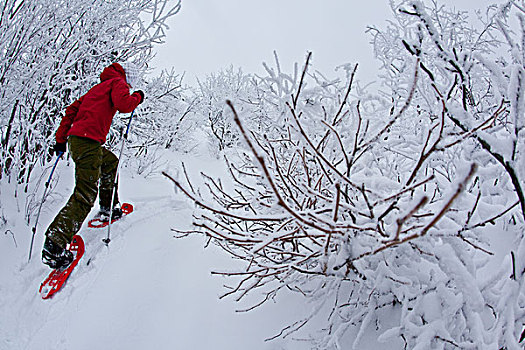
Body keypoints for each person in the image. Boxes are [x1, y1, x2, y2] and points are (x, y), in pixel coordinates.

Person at [41, 62, 144, 269]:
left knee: (109, 163)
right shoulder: (118, 82)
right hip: (88, 142)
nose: (130, 86)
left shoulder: (97, 88)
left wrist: (61, 140)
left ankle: (108, 206)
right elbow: (124, 104)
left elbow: (71, 111)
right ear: (128, 77)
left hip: (79, 141)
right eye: (132, 82)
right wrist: (138, 97)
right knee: (85, 193)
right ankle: (54, 245)